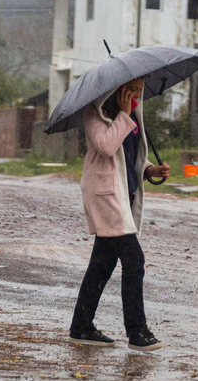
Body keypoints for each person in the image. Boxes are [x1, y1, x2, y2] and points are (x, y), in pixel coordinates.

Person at [69, 77, 170, 351]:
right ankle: (137, 332)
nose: (138, 95)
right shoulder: (93, 111)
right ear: (118, 88)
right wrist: (124, 115)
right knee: (134, 260)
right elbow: (106, 146)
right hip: (106, 197)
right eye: (133, 89)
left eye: (140, 90)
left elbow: (128, 153)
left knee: (101, 265)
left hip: (124, 193)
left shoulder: (132, 111)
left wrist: (150, 170)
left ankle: (81, 326)